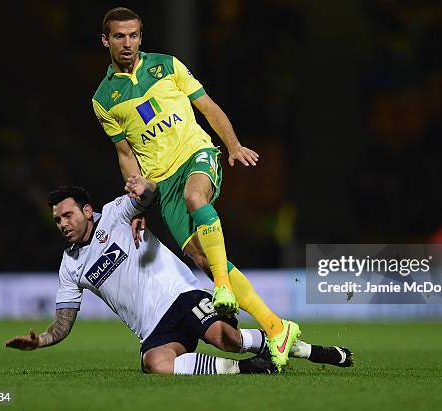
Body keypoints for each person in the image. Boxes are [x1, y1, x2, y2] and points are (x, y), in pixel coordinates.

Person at [91, 6, 299, 367]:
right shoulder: (103, 99)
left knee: (195, 196)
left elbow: (207, 107)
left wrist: (232, 146)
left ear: (142, 36)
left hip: (196, 155)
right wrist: (138, 204)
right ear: (105, 40)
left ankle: (221, 287)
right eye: (120, 36)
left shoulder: (167, 65)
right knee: (201, 257)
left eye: (134, 35)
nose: (128, 43)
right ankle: (277, 328)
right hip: (162, 183)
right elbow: (126, 155)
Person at [4, 185, 353, 373]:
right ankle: (251, 370)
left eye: (67, 215)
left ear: (86, 210)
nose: (63, 224)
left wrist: (144, 192)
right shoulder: (70, 266)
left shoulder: (114, 213)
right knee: (156, 364)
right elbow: (64, 322)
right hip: (152, 328)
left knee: (226, 338)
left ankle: (310, 351)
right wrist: (42, 341)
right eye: (57, 220)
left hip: (181, 295)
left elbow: (150, 195)